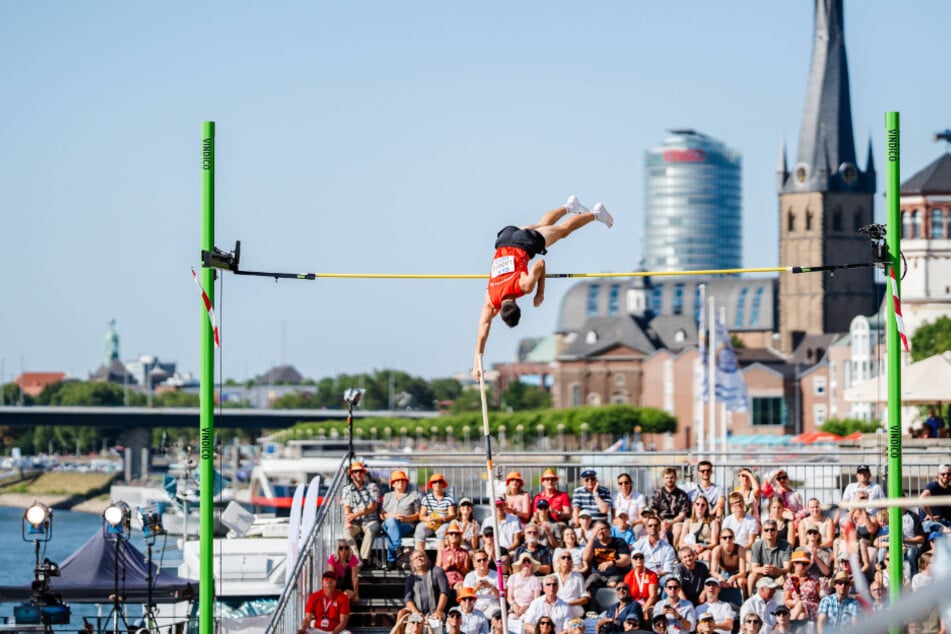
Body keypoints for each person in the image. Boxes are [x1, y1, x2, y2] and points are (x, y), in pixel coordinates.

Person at [472, 196, 613, 379]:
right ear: (499, 311)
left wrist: (539, 292)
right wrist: (477, 363)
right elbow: (481, 335)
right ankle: (568, 206)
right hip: (505, 240)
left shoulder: (523, 287)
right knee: (542, 226)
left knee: (563, 230)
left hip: (523, 244)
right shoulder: (490, 300)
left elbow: (539, 264)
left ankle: (596, 214)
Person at [343, 461, 381, 566]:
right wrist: (348, 520)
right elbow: (347, 506)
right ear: (351, 475)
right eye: (355, 472)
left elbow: (373, 506)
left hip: (370, 520)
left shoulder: (372, 487)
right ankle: (357, 559)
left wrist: (354, 515)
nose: (358, 474)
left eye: (360, 471)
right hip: (355, 522)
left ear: (364, 473)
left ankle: (364, 559)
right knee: (346, 532)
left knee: (371, 529)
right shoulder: (347, 489)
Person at [381, 469, 421, 570]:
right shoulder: (388, 496)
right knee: (391, 523)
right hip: (388, 522)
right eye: (397, 481)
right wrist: (392, 516)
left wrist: (404, 518)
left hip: (406, 525)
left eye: (403, 481)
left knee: (392, 529)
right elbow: (382, 515)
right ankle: (397, 548)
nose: (401, 483)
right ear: (393, 484)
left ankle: (391, 560)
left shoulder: (413, 496)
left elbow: (418, 515)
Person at [583, 520, 632, 592]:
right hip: (597, 574)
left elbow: (626, 560)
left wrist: (611, 563)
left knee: (612, 585)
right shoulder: (593, 544)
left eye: (602, 529)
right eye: (597, 529)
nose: (600, 532)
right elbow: (586, 558)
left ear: (609, 530)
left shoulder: (619, 542)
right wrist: (591, 538)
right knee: (587, 586)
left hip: (615, 574)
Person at [402, 550, 450, 623]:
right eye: (416, 558)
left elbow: (444, 592)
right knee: (404, 617)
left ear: (427, 559)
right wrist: (416, 612)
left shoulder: (437, 571)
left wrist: (439, 610)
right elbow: (407, 599)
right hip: (418, 612)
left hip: (437, 611)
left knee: (436, 621)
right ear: (412, 563)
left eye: (421, 556)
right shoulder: (411, 578)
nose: (419, 558)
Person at [747, 519, 791, 597]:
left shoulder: (786, 545)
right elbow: (754, 568)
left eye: (772, 529)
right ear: (763, 532)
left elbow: (787, 568)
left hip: (779, 575)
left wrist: (777, 570)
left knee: (789, 576)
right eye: (766, 530)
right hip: (762, 575)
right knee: (751, 577)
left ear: (777, 531)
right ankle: (749, 599)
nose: (769, 532)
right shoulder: (756, 546)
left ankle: (787, 600)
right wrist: (762, 569)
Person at [647, 468, 689, 546]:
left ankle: (675, 552)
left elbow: (682, 515)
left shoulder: (682, 494)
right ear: (663, 479)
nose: (669, 480)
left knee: (678, 529)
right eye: (667, 478)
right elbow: (654, 512)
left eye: (671, 477)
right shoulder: (657, 493)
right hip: (660, 521)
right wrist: (661, 522)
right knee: (658, 529)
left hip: (676, 521)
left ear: (676, 478)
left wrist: (670, 523)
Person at [416, 473, 457, 551]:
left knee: (442, 531)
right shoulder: (426, 498)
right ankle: (420, 555)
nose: (437, 484)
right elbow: (421, 516)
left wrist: (440, 519)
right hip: (430, 522)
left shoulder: (449, 499)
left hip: (443, 522)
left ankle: (440, 559)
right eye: (435, 482)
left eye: (439, 482)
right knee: (420, 528)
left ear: (443, 484)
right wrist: (428, 519)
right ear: (432, 485)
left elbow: (452, 515)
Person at [533, 469, 573, 542]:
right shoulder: (538, 497)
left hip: (558, 523)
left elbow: (568, 514)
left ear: (555, 482)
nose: (550, 481)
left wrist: (556, 512)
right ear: (543, 482)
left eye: (552, 479)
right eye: (547, 479)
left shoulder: (563, 495)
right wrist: (537, 522)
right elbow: (535, 515)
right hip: (542, 523)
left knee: (559, 526)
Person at [675, 496, 719, 560]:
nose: (700, 507)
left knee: (707, 555)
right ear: (694, 505)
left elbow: (714, 543)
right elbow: (681, 543)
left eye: (703, 505)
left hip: (705, 548)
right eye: (697, 504)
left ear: (706, 507)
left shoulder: (713, 522)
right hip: (691, 549)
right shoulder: (688, 522)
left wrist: (703, 548)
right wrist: (693, 547)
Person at [781, 550, 819, 621]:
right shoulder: (789, 581)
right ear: (795, 564)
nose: (804, 566)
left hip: (812, 608)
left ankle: (788, 627)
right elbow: (786, 600)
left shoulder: (814, 579)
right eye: (802, 564)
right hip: (797, 609)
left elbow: (820, 596)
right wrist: (794, 602)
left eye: (806, 564)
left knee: (801, 605)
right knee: (801, 616)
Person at [553, 546, 589, 617]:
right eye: (563, 557)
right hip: (556, 610)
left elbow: (585, 599)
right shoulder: (553, 577)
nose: (566, 559)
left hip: (574, 610)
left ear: (571, 561)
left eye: (569, 558)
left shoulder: (578, 577)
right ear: (558, 561)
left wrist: (569, 604)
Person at [708, 528, 747, 594]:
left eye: (730, 537)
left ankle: (744, 600)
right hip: (723, 573)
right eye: (724, 538)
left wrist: (734, 577)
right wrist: (720, 577)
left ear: (733, 538)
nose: (727, 540)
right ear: (720, 539)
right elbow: (713, 571)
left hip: (737, 574)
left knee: (740, 581)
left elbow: (743, 572)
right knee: (715, 583)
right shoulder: (717, 550)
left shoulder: (740, 549)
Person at [463, 549, 501, 615]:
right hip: (474, 607)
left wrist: (491, 586)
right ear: (474, 563)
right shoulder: (469, 577)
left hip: (492, 606)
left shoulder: (497, 575)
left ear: (488, 561)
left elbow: (502, 597)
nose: (482, 562)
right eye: (479, 560)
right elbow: (464, 597)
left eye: (484, 559)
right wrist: (475, 589)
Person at [622, 552, 659, 617]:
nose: (638, 559)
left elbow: (653, 596)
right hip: (634, 604)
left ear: (644, 559)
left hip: (649, 604)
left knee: (649, 613)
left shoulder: (652, 575)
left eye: (641, 557)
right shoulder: (628, 576)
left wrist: (644, 608)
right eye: (635, 558)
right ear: (631, 561)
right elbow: (627, 596)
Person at [438, 522, 472, 589]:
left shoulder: (464, 552)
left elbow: (466, 572)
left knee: (460, 587)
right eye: (451, 534)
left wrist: (459, 566)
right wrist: (448, 564)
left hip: (458, 580)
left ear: (459, 537)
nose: (454, 535)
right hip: (445, 579)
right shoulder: (442, 552)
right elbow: (438, 571)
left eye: (456, 534)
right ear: (448, 537)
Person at [508, 553, 543, 617]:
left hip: (530, 609)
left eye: (528, 561)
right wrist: (514, 605)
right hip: (514, 608)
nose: (526, 563)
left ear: (531, 564)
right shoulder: (512, 578)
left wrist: (526, 607)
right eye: (524, 561)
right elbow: (509, 598)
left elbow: (536, 600)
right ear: (520, 564)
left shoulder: (535, 580)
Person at [326, 539, 361, 603]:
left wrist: (356, 594)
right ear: (337, 550)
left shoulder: (352, 558)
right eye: (341, 548)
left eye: (346, 548)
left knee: (345, 595)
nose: (344, 550)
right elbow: (331, 577)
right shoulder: (332, 559)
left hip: (348, 585)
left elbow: (355, 577)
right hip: (337, 585)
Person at [920, 463, 951, 532]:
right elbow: (922, 498)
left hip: (947, 521)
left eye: (948, 474)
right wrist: (929, 515)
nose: (946, 476)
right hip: (932, 522)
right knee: (946, 531)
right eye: (943, 474)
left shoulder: (949, 489)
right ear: (938, 475)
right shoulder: (933, 486)